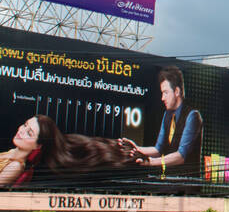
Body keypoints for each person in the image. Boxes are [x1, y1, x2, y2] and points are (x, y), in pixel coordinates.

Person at [0, 114, 141, 187]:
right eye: (25, 125)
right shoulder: (11, 153)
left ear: (38, 146)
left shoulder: (16, 166)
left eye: (29, 133)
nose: (22, 131)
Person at [120, 66, 203, 175]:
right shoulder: (167, 115)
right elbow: (158, 149)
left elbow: (181, 156)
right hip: (169, 182)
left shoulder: (192, 116)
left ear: (177, 91)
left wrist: (150, 162)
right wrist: (137, 148)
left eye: (165, 93)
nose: (162, 98)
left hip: (187, 185)